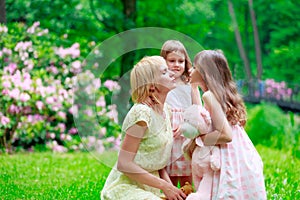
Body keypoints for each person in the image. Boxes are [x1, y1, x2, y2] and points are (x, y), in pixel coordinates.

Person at [100, 56, 186, 200]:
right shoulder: (141, 114)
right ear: (151, 85)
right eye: (164, 72)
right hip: (125, 187)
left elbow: (159, 161)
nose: (171, 72)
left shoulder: (166, 110)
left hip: (151, 189)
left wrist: (172, 190)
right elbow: (124, 163)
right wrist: (165, 187)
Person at [187, 49, 267, 199]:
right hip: (241, 153)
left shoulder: (210, 95)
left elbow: (226, 135)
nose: (191, 70)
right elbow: (200, 116)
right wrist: (192, 88)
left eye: (195, 67)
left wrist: (201, 140)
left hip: (228, 154)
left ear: (205, 72)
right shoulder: (216, 94)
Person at [160, 40, 198, 187]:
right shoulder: (160, 82)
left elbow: (196, 108)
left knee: (186, 171)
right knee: (167, 168)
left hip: (186, 132)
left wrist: (185, 125)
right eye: (172, 61)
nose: (177, 64)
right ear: (163, 62)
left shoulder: (188, 83)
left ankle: (187, 195)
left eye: (181, 61)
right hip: (167, 130)